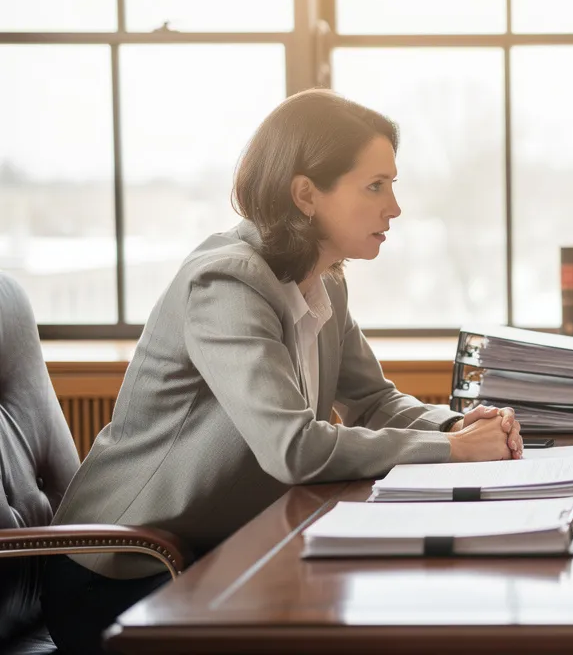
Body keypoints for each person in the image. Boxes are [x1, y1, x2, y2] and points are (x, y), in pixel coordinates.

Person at [42, 89, 522, 654]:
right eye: (375, 186)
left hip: (222, 554)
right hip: (126, 575)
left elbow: (375, 401)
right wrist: (454, 454)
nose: (394, 207)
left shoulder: (325, 281)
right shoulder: (226, 283)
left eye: (393, 185)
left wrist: (457, 427)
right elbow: (292, 449)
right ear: (305, 194)